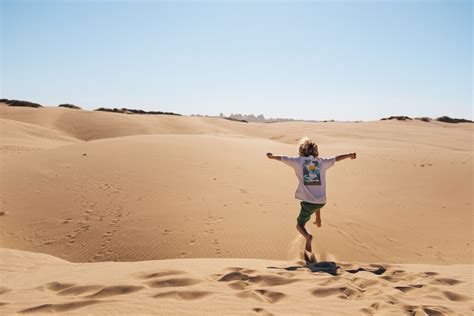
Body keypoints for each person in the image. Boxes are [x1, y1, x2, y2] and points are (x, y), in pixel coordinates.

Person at [266, 137, 356, 256]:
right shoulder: (322, 162)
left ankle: (308, 237)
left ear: (301, 151)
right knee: (316, 201)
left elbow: (283, 158)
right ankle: (318, 219)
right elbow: (336, 158)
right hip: (321, 201)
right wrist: (349, 155)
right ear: (315, 151)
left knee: (299, 225)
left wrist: (271, 157)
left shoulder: (298, 161)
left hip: (309, 202)